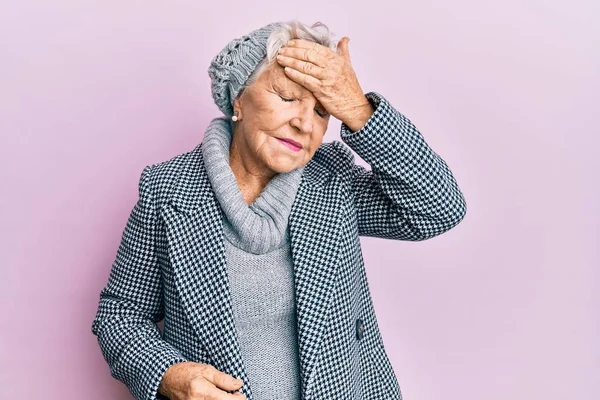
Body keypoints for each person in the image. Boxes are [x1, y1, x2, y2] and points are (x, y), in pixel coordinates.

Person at [91, 19, 467, 400]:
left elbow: (439, 207)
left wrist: (357, 108)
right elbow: (120, 314)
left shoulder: (334, 184)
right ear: (238, 98)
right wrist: (168, 374)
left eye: (323, 112)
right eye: (287, 98)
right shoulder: (168, 191)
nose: (304, 124)